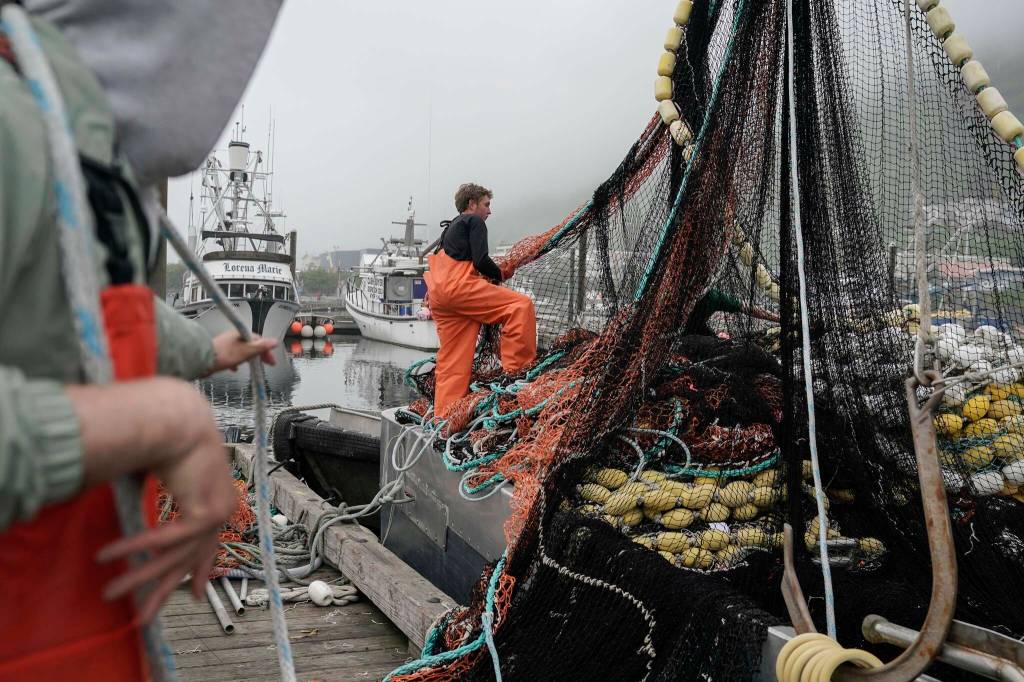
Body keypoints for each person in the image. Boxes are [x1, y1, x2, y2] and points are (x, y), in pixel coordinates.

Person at [0, 1, 283, 679]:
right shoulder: (15, 136)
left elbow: (89, 311)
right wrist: (165, 420)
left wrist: (210, 351)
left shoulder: (84, 167)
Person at [424, 184, 537, 418]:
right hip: (458, 288)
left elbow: (444, 261)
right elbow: (481, 260)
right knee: (519, 306)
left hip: (440, 295)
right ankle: (517, 378)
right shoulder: (474, 222)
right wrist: (501, 273)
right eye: (486, 204)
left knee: (454, 358)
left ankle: (444, 418)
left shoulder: (449, 230)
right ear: (472, 204)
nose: (489, 211)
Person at [684, 288, 780, 337]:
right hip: (684, 334)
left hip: (693, 328)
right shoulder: (713, 297)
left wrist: (778, 318)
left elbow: (750, 309)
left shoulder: (713, 297)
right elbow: (750, 309)